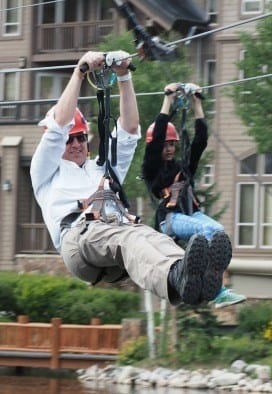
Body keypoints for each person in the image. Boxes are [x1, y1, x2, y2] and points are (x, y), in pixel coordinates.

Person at [30, 51, 230, 306]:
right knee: (129, 237)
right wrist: (80, 73)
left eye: (81, 137)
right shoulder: (46, 172)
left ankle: (196, 281)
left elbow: (129, 130)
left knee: (151, 236)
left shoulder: (101, 169)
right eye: (71, 139)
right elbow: (60, 125)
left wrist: (124, 77)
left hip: (113, 238)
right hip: (79, 239)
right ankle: (175, 278)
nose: (77, 144)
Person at [141, 82, 246, 309]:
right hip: (169, 219)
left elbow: (200, 141)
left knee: (217, 231)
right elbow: (157, 135)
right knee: (204, 231)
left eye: (172, 145)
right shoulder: (151, 169)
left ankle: (214, 288)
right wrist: (168, 100)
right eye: (165, 146)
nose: (168, 149)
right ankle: (195, 274)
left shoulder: (184, 167)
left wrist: (197, 103)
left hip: (191, 213)